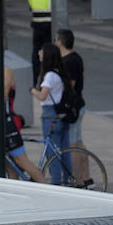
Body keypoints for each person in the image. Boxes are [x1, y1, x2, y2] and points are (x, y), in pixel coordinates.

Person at [0, 40, 47, 183]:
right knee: (9, 166)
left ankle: (48, 189)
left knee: (22, 161)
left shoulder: (5, 71)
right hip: (0, 121)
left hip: (8, 122)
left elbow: (1, 96)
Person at [31, 43, 71, 185]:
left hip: (50, 115)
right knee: (65, 150)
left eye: (41, 52)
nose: (39, 54)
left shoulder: (49, 75)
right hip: (61, 115)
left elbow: (42, 96)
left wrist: (32, 90)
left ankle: (55, 182)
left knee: (51, 151)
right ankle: (68, 180)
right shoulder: (59, 72)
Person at [55, 29, 91, 185]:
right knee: (79, 142)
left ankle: (77, 180)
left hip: (72, 107)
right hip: (79, 104)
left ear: (60, 42)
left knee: (73, 145)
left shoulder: (68, 61)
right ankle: (86, 177)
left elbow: (71, 84)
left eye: (56, 40)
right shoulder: (76, 57)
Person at [27, 0, 52, 83]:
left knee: (36, 53)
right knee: (48, 52)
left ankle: (35, 77)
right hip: (48, 28)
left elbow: (31, 9)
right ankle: (46, 76)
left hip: (37, 29)